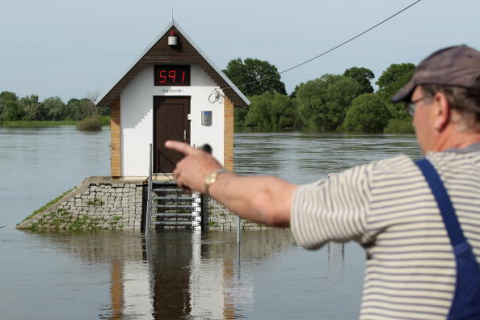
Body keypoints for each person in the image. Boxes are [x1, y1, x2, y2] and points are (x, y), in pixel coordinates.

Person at [166, 45, 480, 319]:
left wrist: (209, 176)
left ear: (440, 107)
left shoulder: (399, 183)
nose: (412, 119)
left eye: (414, 105)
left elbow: (270, 202)